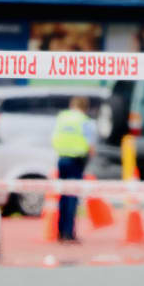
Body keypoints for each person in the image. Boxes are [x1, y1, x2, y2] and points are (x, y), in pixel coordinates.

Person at [51, 97, 96, 242]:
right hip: (76, 160)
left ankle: (60, 231)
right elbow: (91, 145)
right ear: (85, 107)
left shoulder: (62, 117)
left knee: (63, 196)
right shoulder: (84, 121)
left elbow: (54, 136)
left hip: (61, 157)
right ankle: (69, 233)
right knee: (72, 197)